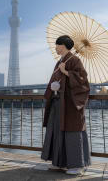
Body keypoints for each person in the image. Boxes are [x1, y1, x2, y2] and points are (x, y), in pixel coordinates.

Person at [41, 35, 91, 175]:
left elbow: (83, 81)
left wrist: (66, 72)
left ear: (63, 46)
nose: (56, 48)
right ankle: (59, 163)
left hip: (70, 104)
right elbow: (56, 80)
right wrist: (54, 86)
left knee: (72, 133)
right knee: (56, 131)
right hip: (58, 103)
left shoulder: (74, 60)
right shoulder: (60, 61)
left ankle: (77, 165)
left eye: (57, 45)